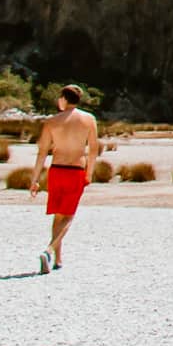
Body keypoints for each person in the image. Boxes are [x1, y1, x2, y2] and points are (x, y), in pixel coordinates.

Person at [31, 84, 100, 275]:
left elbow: (42, 152)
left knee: (58, 215)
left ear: (63, 99)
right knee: (68, 216)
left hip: (56, 170)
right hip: (75, 169)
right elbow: (93, 149)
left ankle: (58, 259)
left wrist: (35, 179)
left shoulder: (52, 121)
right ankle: (49, 250)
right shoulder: (88, 119)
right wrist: (89, 172)